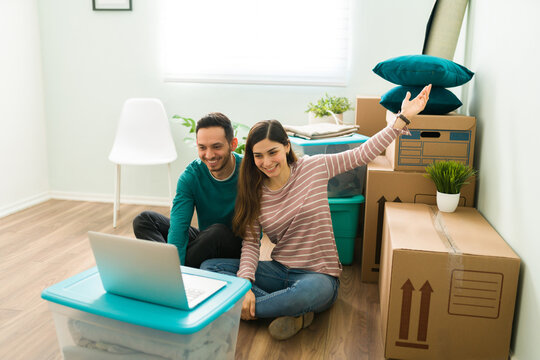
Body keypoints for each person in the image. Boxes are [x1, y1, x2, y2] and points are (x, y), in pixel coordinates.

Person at [201, 85, 432, 340]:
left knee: (309, 294)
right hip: (279, 270)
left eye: (272, 152)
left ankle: (244, 309)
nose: (266, 162)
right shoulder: (255, 190)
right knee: (210, 267)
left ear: (286, 147)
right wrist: (245, 286)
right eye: (258, 156)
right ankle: (284, 310)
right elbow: (250, 244)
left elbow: (362, 153)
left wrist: (402, 119)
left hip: (318, 275)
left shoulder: (314, 167)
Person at [132, 112, 243, 268]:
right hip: (206, 239)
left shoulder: (248, 171)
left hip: (237, 248)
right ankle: (170, 267)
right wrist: (176, 257)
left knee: (217, 232)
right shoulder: (191, 176)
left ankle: (164, 268)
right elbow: (179, 226)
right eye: (202, 147)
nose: (209, 155)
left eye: (216, 147)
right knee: (144, 220)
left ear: (233, 144)